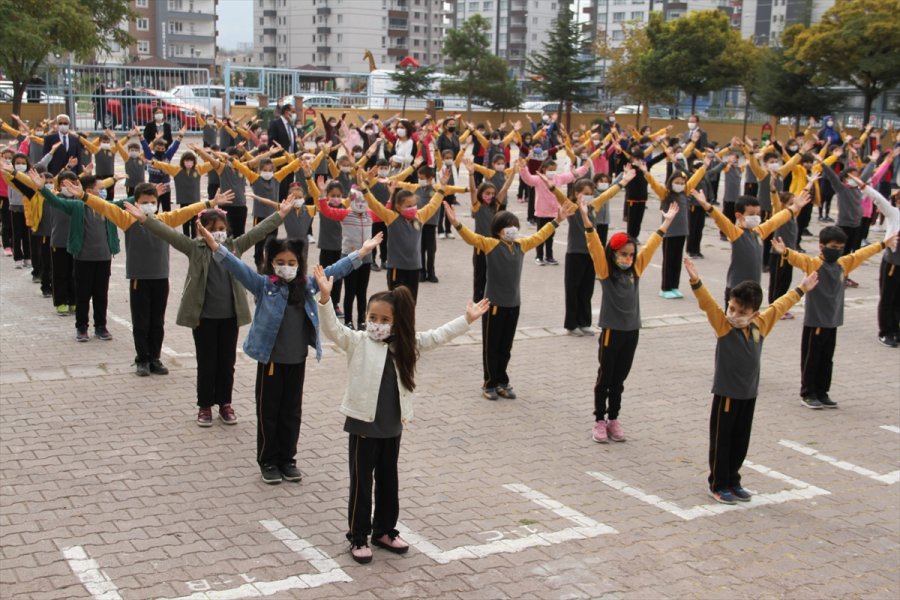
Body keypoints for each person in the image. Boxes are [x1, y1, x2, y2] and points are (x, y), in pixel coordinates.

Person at [315, 268, 490, 563]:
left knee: (388, 480)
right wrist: (325, 299)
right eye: (373, 318)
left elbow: (438, 336)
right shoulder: (357, 341)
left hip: (392, 426)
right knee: (361, 483)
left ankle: (384, 531)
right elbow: (332, 329)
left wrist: (467, 320)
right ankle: (358, 536)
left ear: (397, 323)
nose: (377, 325)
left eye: (385, 320)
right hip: (362, 426)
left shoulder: (406, 345)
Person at [194, 218, 380, 484]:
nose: (286, 268)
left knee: (292, 411)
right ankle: (268, 460)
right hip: (271, 362)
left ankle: (288, 459)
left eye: (292, 263)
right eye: (281, 263)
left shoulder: (306, 286)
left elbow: (334, 271)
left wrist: (361, 252)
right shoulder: (263, 285)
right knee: (268, 412)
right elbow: (236, 267)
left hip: (297, 360)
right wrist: (214, 245)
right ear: (271, 264)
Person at [135, 197, 292, 426]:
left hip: (230, 317)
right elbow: (168, 234)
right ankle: (205, 406)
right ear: (201, 230)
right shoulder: (194, 248)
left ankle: (225, 404)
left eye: (221, 229)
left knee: (227, 363)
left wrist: (281, 214)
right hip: (204, 318)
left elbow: (259, 231)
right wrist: (146, 220)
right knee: (206, 363)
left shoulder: (234, 247)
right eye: (211, 229)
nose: (217, 233)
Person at [684, 257, 819, 505]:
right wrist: (696, 280)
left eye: (742, 312)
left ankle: (733, 480)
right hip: (726, 393)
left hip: (749, 394)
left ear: (754, 313)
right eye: (732, 308)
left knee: (740, 440)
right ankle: (718, 483)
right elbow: (708, 304)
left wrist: (802, 288)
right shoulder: (724, 326)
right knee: (722, 440)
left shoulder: (760, 325)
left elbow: (779, 305)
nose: (734, 315)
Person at [445, 201, 576, 400]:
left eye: (514, 226)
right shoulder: (491, 244)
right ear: (498, 230)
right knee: (492, 346)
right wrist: (456, 223)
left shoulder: (521, 245)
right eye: (507, 226)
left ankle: (502, 381)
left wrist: (557, 220)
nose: (512, 230)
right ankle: (489, 383)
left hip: (513, 305)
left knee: (506, 347)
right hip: (494, 305)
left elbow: (540, 236)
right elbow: (471, 238)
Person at [584, 198, 679, 443]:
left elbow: (652, 244)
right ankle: (599, 420)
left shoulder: (636, 269)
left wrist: (666, 222)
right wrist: (586, 219)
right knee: (605, 377)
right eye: (623, 254)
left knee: (620, 379)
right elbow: (594, 245)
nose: (628, 258)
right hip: (611, 332)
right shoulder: (606, 272)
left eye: (631, 254)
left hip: (631, 331)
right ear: (613, 253)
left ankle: (614, 418)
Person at [771, 228, 897, 409]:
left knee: (827, 359)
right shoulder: (813, 264)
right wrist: (785, 251)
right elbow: (797, 258)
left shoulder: (843, 264)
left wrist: (883, 244)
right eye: (833, 246)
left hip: (833, 321)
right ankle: (808, 393)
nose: (837, 250)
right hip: (816, 322)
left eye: (840, 247)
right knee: (811, 358)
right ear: (821, 246)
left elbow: (862, 253)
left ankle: (822, 392)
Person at [38, 173, 120, 342]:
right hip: (83, 259)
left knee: (101, 295)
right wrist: (41, 188)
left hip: (104, 258)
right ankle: (82, 327)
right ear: (90, 190)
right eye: (101, 189)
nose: (104, 192)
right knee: (82, 295)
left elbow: (127, 204)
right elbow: (56, 202)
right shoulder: (77, 206)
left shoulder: (107, 207)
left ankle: (101, 326)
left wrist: (148, 194)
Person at [690, 189, 808, 305]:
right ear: (739, 216)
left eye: (758, 214)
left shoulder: (758, 232)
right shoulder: (736, 233)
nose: (756, 217)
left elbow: (775, 220)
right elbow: (721, 220)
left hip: (754, 291)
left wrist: (794, 208)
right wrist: (706, 205)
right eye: (751, 214)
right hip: (737, 290)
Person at [359, 171, 447, 302]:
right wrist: (364, 189)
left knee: (411, 303)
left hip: (414, 268)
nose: (413, 208)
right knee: (395, 304)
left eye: (414, 205)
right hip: (396, 268)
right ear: (398, 207)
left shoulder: (420, 216)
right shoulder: (392, 217)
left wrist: (442, 187)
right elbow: (375, 205)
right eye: (409, 206)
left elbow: (433, 205)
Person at [640, 162, 706, 299]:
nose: (680, 185)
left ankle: (674, 287)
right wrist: (646, 173)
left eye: (682, 183)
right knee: (669, 260)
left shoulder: (685, 192)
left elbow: (695, 179)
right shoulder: (665, 194)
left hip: (682, 232)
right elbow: (654, 184)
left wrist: (704, 167)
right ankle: (665, 288)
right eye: (677, 182)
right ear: (671, 182)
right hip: (669, 233)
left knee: (677, 261)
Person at [852, 174, 900, 347]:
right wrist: (864, 186)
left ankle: (896, 330)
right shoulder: (894, 214)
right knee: (888, 298)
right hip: (893, 263)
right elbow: (879, 200)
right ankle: (886, 332)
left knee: (898, 299)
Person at [317, 189, 376, 329]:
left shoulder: (371, 215)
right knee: (350, 291)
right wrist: (321, 195)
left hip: (366, 259)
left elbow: (385, 211)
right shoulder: (346, 214)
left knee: (362, 292)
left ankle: (362, 320)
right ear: (350, 201)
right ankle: (348, 320)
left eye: (363, 201)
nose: (360, 204)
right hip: (349, 258)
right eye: (357, 200)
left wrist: (390, 195)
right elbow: (326, 211)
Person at [518, 157, 589, 265]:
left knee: (550, 236)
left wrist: (585, 167)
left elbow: (570, 175)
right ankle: (539, 256)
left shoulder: (558, 178)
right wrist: (523, 168)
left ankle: (549, 256)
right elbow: (528, 178)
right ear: (544, 169)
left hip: (554, 213)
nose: (552, 172)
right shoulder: (538, 179)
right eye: (550, 169)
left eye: (554, 169)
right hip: (542, 212)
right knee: (540, 236)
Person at [267, 104, 299, 200]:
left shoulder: (291, 126)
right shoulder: (275, 123)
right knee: (282, 185)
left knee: (289, 184)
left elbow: (293, 142)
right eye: (292, 112)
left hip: (291, 160)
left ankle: (288, 202)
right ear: (286, 112)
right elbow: (272, 141)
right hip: (280, 160)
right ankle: (280, 203)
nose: (293, 114)